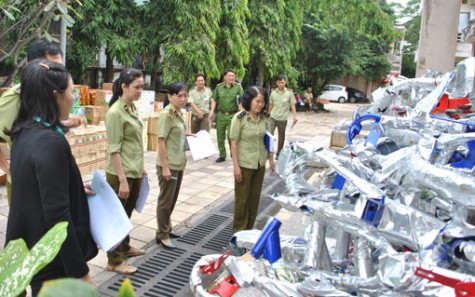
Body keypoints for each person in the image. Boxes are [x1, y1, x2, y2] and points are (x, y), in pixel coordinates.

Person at [5, 60, 98, 296]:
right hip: (54, 259)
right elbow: (58, 217)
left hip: (34, 244)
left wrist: (73, 186)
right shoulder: (50, 142)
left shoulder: (24, 131)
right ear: (56, 96)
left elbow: (37, 187)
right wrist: (81, 273)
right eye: (71, 92)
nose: (73, 98)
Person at [0, 39, 85, 204]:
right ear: (34, 66)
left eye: (60, 67)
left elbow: (49, 125)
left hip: (52, 178)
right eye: (51, 67)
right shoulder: (15, 99)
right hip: (26, 185)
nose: (58, 73)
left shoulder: (54, 96)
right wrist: (8, 169)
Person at [105, 68, 146, 275]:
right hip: (120, 174)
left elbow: (134, 143)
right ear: (124, 87)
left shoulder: (132, 109)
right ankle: (114, 260)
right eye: (136, 87)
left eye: (142, 87)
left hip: (134, 171)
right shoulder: (115, 113)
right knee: (116, 217)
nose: (140, 91)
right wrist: (122, 180)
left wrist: (141, 168)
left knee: (126, 215)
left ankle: (125, 247)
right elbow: (114, 150)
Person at [230, 86, 275, 232]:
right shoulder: (239, 118)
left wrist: (271, 159)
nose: (260, 104)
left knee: (254, 199)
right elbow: (234, 143)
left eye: (263, 102)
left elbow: (268, 139)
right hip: (244, 165)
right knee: (242, 201)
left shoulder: (264, 118)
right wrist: (236, 167)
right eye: (257, 101)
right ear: (249, 100)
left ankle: (249, 229)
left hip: (259, 164)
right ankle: (238, 232)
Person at [155, 82, 189, 249]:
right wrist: (165, 167)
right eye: (179, 95)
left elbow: (179, 134)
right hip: (168, 164)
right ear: (170, 97)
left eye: (185, 95)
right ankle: (162, 234)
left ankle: (167, 228)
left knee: (172, 199)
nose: (183, 99)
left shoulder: (178, 113)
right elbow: (161, 141)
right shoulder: (166, 115)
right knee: (165, 201)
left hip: (179, 162)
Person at [208, 69, 244, 163]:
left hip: (233, 115)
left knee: (230, 136)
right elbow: (214, 100)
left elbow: (242, 101)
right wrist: (212, 111)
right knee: (220, 136)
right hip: (221, 115)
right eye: (230, 76)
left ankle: (233, 152)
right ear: (225, 77)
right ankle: (222, 155)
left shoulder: (238, 87)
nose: (232, 77)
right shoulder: (219, 87)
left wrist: (242, 112)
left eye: (233, 76)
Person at [268, 75, 298, 157]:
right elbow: (271, 104)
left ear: (285, 82)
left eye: (282, 82)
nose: (281, 84)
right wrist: (268, 113)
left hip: (283, 118)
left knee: (281, 136)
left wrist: (295, 116)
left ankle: (279, 153)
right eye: (279, 82)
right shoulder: (273, 93)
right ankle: (269, 152)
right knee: (270, 134)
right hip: (273, 117)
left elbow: (292, 104)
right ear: (276, 83)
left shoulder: (289, 93)